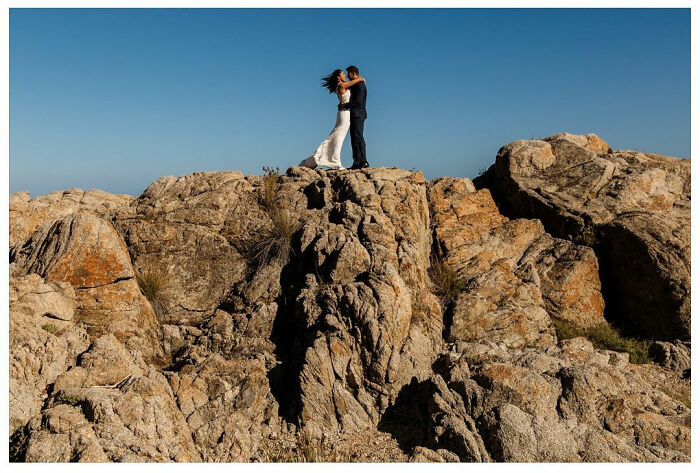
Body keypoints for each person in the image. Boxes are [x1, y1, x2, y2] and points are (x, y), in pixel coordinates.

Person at [299, 69, 365, 170]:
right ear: (338, 77)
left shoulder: (343, 85)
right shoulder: (341, 86)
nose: (345, 75)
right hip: (344, 114)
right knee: (338, 136)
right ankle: (335, 161)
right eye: (343, 74)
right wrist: (360, 79)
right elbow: (354, 82)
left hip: (346, 113)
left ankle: (317, 159)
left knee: (338, 135)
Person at [341, 65, 368, 170]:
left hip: (359, 114)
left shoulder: (360, 85)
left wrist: (344, 105)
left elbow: (358, 101)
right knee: (354, 139)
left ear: (353, 73)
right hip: (354, 114)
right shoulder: (355, 84)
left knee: (358, 137)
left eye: (348, 74)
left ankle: (363, 161)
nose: (347, 76)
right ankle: (356, 162)